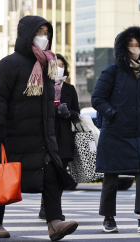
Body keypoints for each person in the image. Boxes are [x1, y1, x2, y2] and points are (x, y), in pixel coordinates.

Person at [0, 16, 78, 240]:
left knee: (51, 175)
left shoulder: (48, 64)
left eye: (47, 32)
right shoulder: (8, 64)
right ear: (27, 34)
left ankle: (54, 222)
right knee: (5, 175)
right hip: (15, 134)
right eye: (39, 32)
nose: (44, 37)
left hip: (43, 135)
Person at [91, 26, 140, 233]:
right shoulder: (111, 71)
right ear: (123, 48)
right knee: (111, 175)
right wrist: (113, 115)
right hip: (115, 132)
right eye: (130, 45)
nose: (134, 48)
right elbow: (97, 99)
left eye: (137, 45)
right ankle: (108, 218)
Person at [38, 54, 80, 220]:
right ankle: (44, 206)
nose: (60, 67)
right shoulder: (42, 86)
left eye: (62, 64)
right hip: (46, 136)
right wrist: (54, 111)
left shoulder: (70, 89)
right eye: (57, 64)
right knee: (48, 174)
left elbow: (77, 113)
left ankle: (54, 208)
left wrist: (68, 113)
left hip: (63, 138)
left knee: (59, 174)